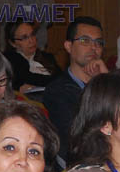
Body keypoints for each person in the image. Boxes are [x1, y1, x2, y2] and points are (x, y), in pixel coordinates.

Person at [43, 17, 109, 160]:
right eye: (85, 41)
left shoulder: (107, 80)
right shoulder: (57, 91)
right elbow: (76, 140)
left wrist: (104, 82)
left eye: (98, 42)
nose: (94, 47)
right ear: (68, 46)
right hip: (83, 163)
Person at [3, 20, 60, 92]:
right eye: (24, 37)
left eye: (32, 34)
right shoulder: (9, 60)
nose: (31, 41)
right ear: (12, 43)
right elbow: (26, 78)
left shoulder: (48, 57)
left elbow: (62, 79)